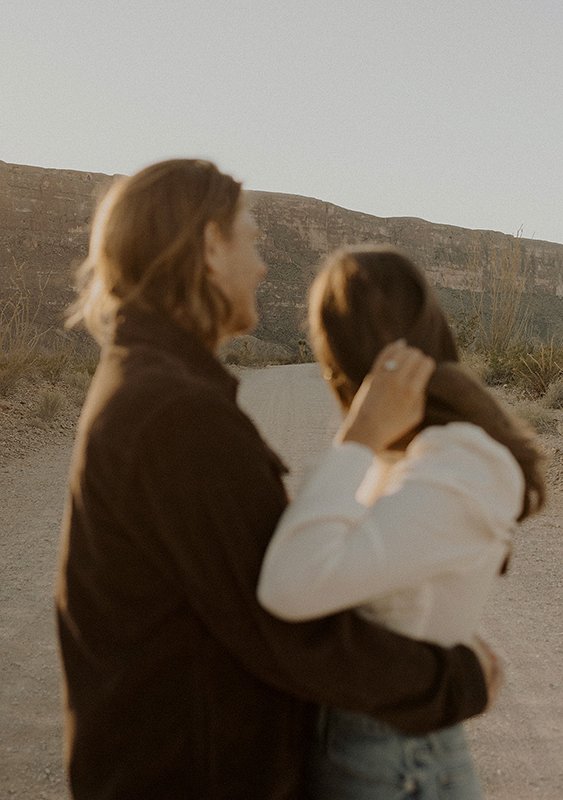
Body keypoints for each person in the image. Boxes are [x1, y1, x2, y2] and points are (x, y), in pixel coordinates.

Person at [57, 160, 496, 800]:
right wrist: (456, 678)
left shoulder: (147, 386)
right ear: (210, 245)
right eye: (253, 238)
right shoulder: (175, 414)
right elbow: (286, 629)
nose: (264, 265)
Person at [258, 245, 545, 799]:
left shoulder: (459, 461)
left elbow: (291, 585)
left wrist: (359, 435)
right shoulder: (418, 457)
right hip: (384, 743)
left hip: (393, 756)